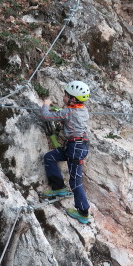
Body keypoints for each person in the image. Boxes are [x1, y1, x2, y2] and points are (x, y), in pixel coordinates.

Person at [39, 80, 92, 224]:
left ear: (73, 99)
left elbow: (46, 116)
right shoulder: (82, 109)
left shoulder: (69, 111)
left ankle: (83, 212)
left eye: (66, 95)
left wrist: (46, 105)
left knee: (75, 181)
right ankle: (59, 188)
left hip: (75, 148)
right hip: (76, 146)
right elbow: (68, 118)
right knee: (50, 157)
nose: (64, 96)